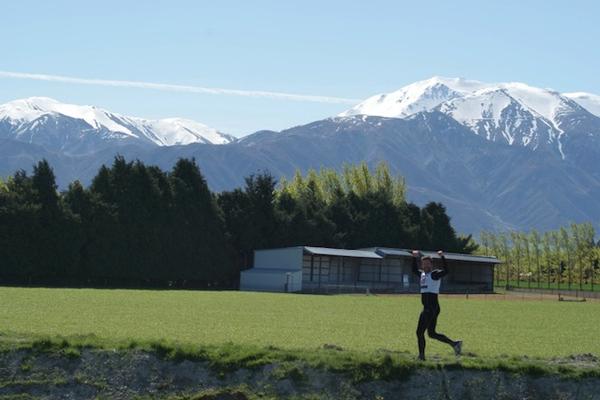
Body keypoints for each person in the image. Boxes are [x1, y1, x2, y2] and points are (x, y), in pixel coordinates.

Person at [412, 249, 462, 360]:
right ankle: (455, 344)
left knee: (419, 332)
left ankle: (421, 357)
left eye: (427, 264)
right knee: (432, 333)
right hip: (431, 308)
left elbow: (447, 271)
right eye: (423, 264)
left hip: (431, 308)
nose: (425, 266)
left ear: (431, 264)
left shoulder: (434, 274)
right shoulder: (422, 274)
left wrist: (442, 257)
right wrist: (414, 257)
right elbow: (414, 269)